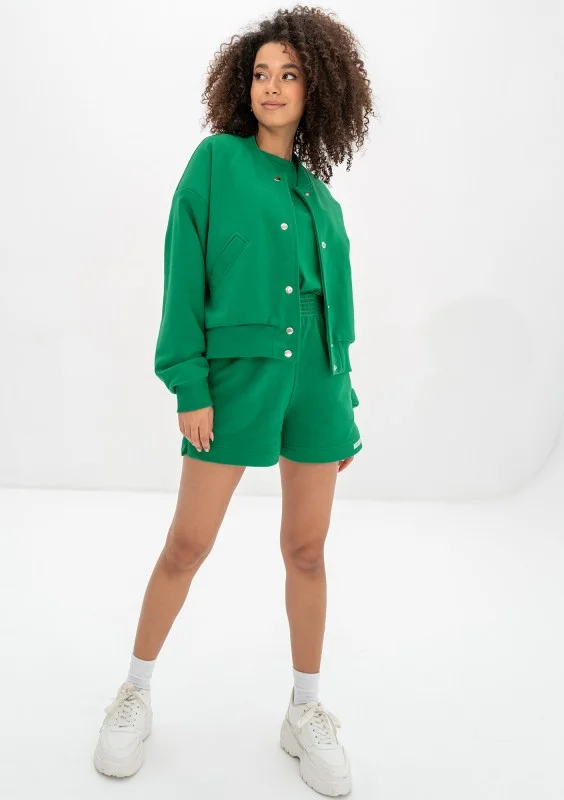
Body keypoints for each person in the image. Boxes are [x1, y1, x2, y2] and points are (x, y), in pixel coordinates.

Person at [93, 6, 375, 796]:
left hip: (317, 388)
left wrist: (345, 407)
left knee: (307, 550)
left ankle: (305, 709)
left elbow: (337, 314)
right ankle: (135, 692)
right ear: (241, 86)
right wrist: (189, 383)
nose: (272, 86)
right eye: (260, 73)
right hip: (235, 381)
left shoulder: (322, 199)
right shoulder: (215, 163)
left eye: (289, 74)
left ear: (318, 89)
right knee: (188, 544)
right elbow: (183, 277)